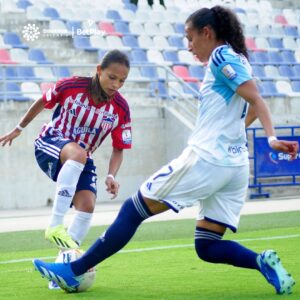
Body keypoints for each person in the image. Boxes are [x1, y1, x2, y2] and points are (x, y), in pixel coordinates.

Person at [33, 6, 298, 295]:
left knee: (132, 210)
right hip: (234, 168)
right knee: (207, 245)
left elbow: (256, 99)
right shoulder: (240, 60)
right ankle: (262, 263)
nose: (189, 46)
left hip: (206, 159)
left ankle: (72, 271)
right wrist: (237, 133)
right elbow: (253, 105)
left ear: (207, 33)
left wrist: (271, 138)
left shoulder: (220, 56)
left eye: (190, 37)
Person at [0, 49, 131, 275]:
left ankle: (63, 270)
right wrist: (18, 129)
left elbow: (119, 147)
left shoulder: (120, 108)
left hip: (81, 158)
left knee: (87, 205)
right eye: (112, 77)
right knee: (79, 154)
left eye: (122, 81)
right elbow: (42, 101)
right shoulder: (70, 86)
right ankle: (55, 225)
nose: (116, 85)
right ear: (98, 71)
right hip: (50, 143)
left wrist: (111, 176)